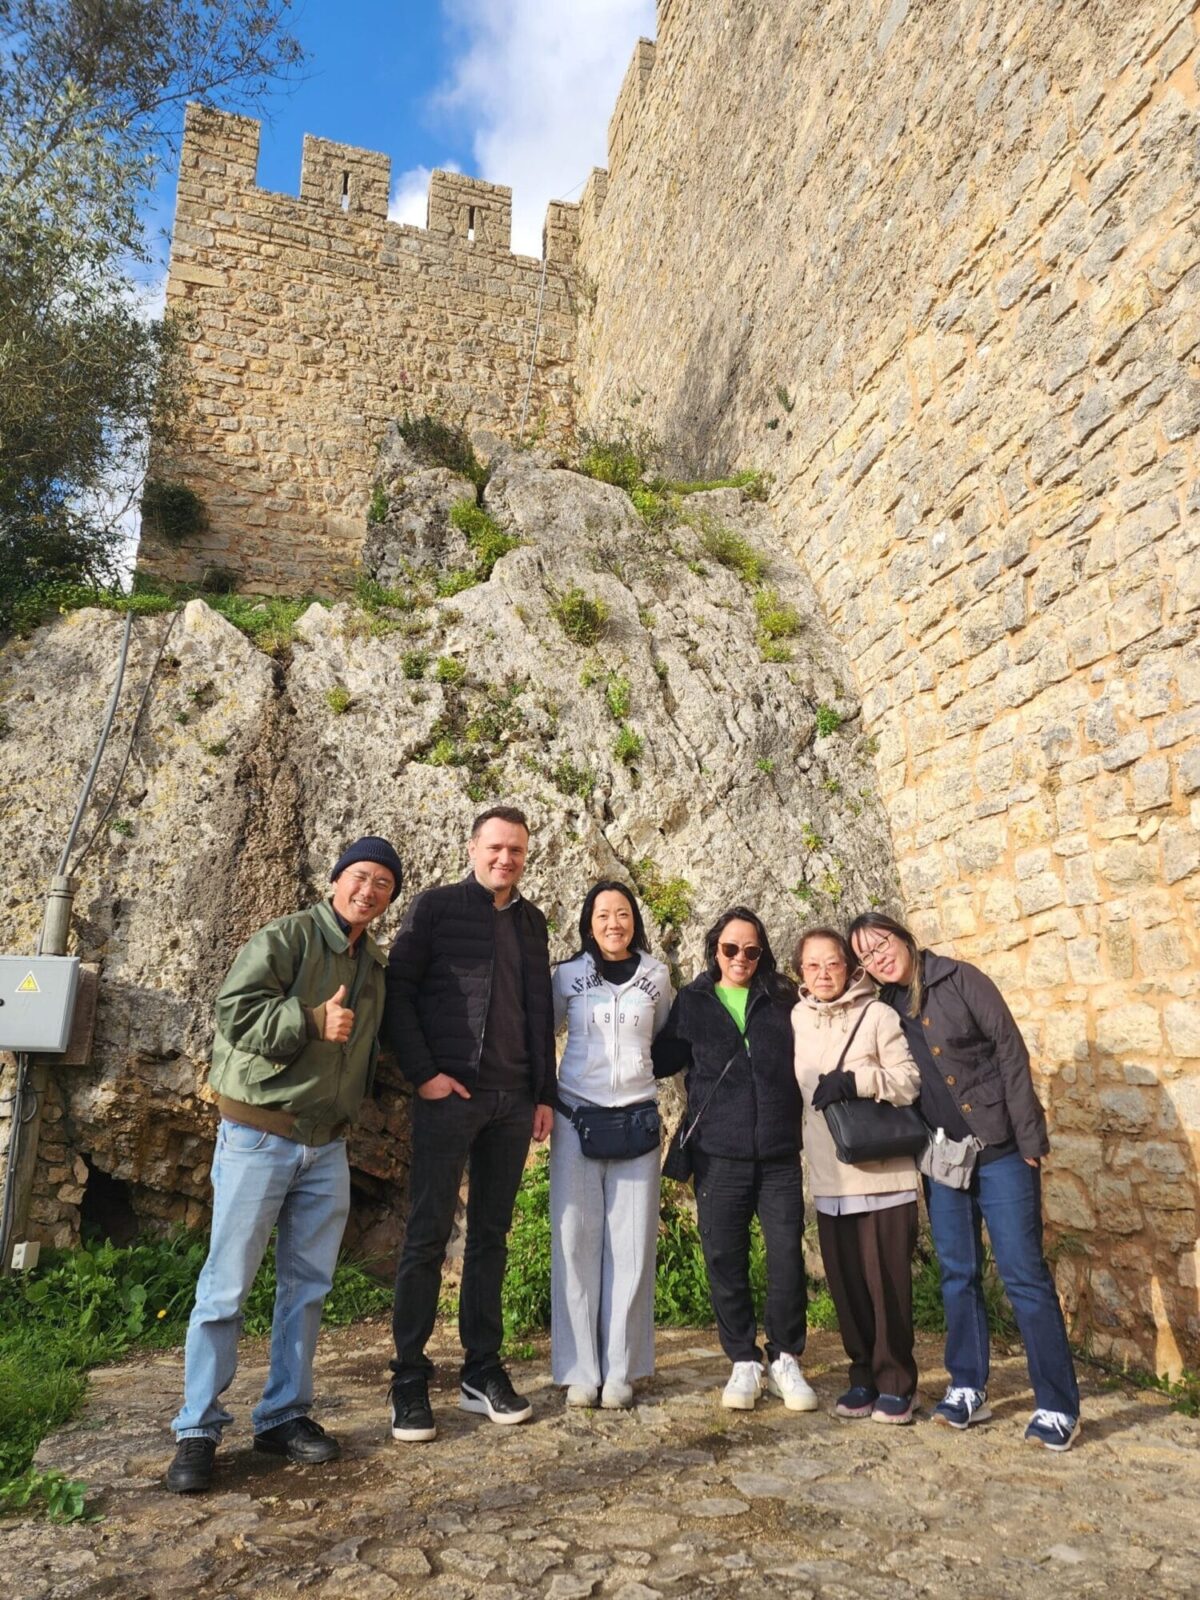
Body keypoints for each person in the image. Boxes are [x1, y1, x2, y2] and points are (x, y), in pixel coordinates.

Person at [166, 835, 403, 1494]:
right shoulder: (288, 937)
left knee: (307, 1288)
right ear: (336, 880)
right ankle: (196, 1429)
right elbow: (234, 1012)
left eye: (383, 883)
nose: (368, 890)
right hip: (258, 1136)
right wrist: (308, 1019)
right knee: (225, 1287)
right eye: (360, 876)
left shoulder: (373, 965)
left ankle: (282, 1416)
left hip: (326, 1146)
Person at [848, 911, 1082, 1452]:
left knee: (1023, 1275)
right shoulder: (884, 1008)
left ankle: (1056, 1404)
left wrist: (1030, 1141)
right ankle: (968, 1387)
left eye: (881, 944)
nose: (878, 958)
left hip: (1001, 1151)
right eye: (865, 956)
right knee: (957, 1274)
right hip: (942, 1160)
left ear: (903, 936)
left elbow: (1010, 1053)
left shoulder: (961, 979)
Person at [384, 805, 555, 1441]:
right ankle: (408, 1377)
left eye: (516, 850)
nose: (505, 858)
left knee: (491, 1237)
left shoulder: (533, 922)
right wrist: (424, 1074)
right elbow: (397, 992)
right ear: (472, 848)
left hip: (513, 1100)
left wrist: (544, 1093)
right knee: (426, 1236)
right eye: (495, 847)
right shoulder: (435, 908)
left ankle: (481, 1370)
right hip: (449, 1097)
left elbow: (538, 1011)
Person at [652, 905, 816, 1412]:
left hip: (779, 1152)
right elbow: (659, 1059)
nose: (740, 958)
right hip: (718, 1154)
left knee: (786, 1256)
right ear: (714, 950)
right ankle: (743, 1358)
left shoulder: (783, 998)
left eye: (751, 950)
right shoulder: (694, 1001)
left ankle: (785, 1356)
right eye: (730, 948)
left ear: (761, 954)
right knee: (724, 1258)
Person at [791, 926, 921, 1424]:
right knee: (847, 1286)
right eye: (813, 965)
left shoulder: (878, 1014)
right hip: (830, 1177)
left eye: (833, 963)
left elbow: (909, 1082)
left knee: (887, 1285)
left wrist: (855, 1081)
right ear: (800, 972)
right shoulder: (798, 1018)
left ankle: (898, 1382)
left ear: (850, 968)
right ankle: (862, 1375)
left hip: (883, 1174)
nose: (824, 974)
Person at [550, 881, 672, 1409]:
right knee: (574, 1243)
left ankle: (621, 1369)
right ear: (588, 923)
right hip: (576, 1116)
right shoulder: (567, 976)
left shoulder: (656, 976)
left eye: (622, 913)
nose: (613, 924)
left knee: (632, 1246)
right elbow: (543, 1032)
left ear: (634, 920)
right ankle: (581, 1370)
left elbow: (662, 1038)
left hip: (636, 1121)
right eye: (602, 915)